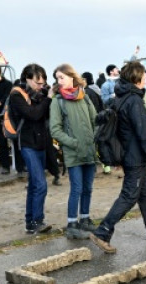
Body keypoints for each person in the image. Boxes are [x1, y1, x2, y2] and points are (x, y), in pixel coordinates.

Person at [88, 61, 146, 254]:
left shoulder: (121, 98)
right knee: (129, 196)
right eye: (144, 75)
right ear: (136, 78)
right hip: (134, 157)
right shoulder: (134, 101)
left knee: (145, 194)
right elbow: (143, 133)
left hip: (130, 156)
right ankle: (102, 232)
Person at [50, 64, 98, 240]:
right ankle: (72, 224)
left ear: (71, 76)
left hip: (89, 150)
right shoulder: (58, 101)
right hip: (73, 152)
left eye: (61, 77)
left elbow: (95, 120)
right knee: (76, 188)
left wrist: (95, 139)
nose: (59, 81)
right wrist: (73, 143)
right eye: (57, 78)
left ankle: (84, 219)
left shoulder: (84, 96)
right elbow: (55, 129)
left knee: (88, 188)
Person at [9, 63, 53, 234]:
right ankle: (37, 220)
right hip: (27, 144)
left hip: (41, 143)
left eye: (43, 83)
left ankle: (30, 222)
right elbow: (33, 114)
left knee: (35, 184)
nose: (40, 86)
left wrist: (46, 96)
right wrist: (47, 98)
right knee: (41, 184)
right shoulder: (16, 95)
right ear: (26, 79)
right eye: (37, 83)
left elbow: (45, 115)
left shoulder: (39, 95)